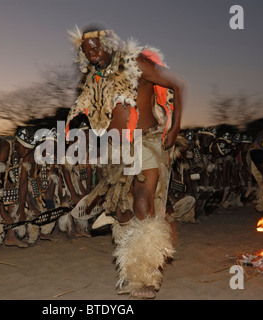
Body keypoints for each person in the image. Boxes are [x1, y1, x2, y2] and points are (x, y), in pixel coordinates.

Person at [66, 24, 186, 298]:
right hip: (115, 151)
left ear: (109, 42)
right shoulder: (94, 80)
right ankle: (132, 272)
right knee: (122, 213)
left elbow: (178, 85)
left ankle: (146, 279)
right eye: (87, 52)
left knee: (143, 204)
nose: (92, 55)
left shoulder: (136, 64)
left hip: (147, 141)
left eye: (95, 47)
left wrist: (175, 128)